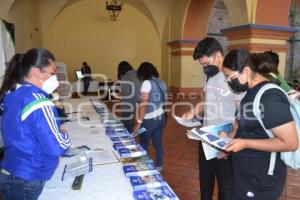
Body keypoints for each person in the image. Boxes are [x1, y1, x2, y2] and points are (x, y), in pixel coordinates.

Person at [222, 49, 298, 199]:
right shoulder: (250, 92)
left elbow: (290, 142)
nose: (228, 82)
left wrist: (245, 143)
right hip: (245, 172)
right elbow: (246, 127)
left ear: (246, 71)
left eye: (229, 77)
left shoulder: (270, 97)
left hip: (262, 178)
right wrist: (228, 138)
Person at [0, 48, 71, 200]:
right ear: (37, 72)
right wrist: (64, 135)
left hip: (11, 169)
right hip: (28, 175)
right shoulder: (38, 101)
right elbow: (55, 147)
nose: (55, 79)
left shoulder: (12, 93)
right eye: (52, 74)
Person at [182, 37, 243, 200]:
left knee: (226, 188)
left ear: (218, 56)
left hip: (224, 140)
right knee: (205, 184)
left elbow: (241, 113)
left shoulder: (233, 77)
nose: (205, 68)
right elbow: (205, 99)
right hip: (206, 137)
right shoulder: (209, 76)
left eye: (207, 64)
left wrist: (230, 141)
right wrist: (193, 111)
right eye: (202, 65)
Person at [133, 62, 167, 171]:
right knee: (158, 143)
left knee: (143, 143)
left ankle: (144, 167)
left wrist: (138, 123)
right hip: (161, 117)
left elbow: (143, 105)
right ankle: (159, 166)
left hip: (149, 120)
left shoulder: (146, 83)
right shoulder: (161, 82)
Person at [117, 61, 141, 133]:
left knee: (127, 124)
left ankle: (129, 139)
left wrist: (118, 94)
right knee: (136, 122)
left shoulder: (125, 76)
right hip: (139, 102)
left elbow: (126, 92)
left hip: (128, 104)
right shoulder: (137, 73)